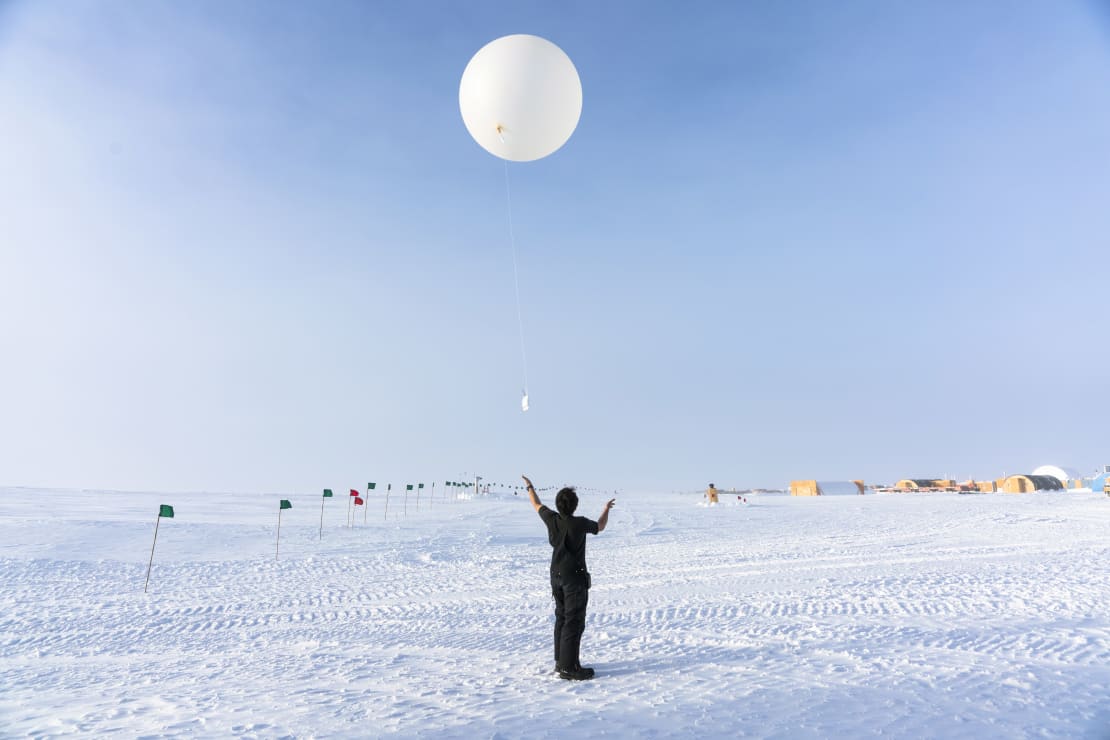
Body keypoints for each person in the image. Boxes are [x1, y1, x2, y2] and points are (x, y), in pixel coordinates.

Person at [523, 474, 614, 681]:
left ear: (558, 505)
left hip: (555, 577)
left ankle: (561, 661)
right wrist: (606, 509)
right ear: (575, 506)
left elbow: (536, 503)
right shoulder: (579, 523)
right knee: (574, 621)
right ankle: (569, 668)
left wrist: (530, 486)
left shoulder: (551, 518)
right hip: (574, 580)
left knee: (561, 618)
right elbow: (600, 526)